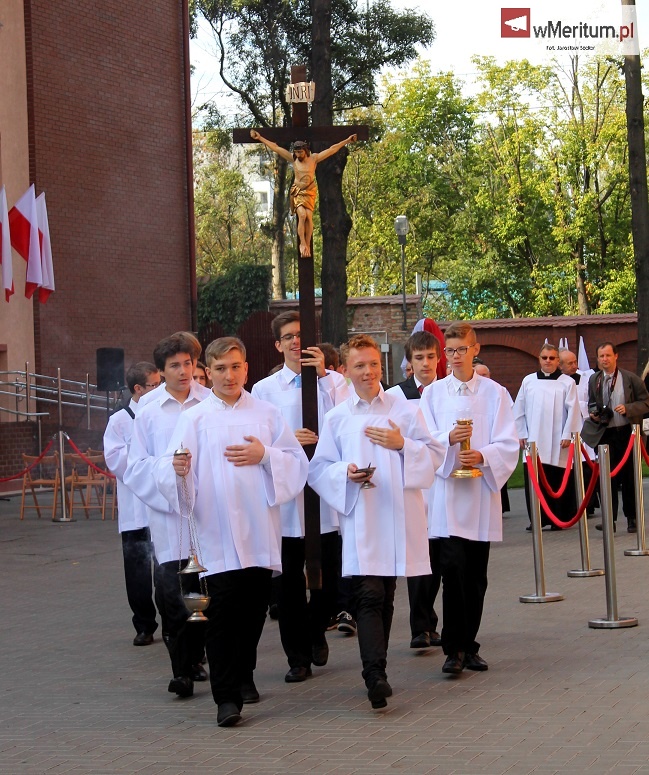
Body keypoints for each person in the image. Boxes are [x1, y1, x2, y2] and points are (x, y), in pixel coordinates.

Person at [155, 337, 308, 727]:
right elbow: (171, 465)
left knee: (253, 612)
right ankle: (226, 698)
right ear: (208, 371)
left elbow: (295, 462)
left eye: (236, 367)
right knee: (221, 615)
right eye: (220, 369)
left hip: (258, 529)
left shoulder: (267, 414)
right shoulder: (195, 418)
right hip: (216, 532)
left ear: (246, 369)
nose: (229, 375)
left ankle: (243, 674)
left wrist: (265, 455)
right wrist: (178, 469)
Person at [308, 334, 445, 709]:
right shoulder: (337, 417)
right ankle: (374, 675)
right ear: (346, 371)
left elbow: (433, 456)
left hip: (398, 513)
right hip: (363, 515)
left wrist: (403, 445)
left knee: (386, 594)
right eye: (359, 365)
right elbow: (319, 469)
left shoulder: (404, 408)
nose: (368, 371)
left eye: (372, 364)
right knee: (368, 593)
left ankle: (377, 668)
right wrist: (345, 473)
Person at [251, 312, 349, 682]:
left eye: (302, 335)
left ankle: (316, 628)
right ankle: (297, 657)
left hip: (324, 493)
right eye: (289, 336)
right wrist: (289, 439)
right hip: (287, 496)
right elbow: (259, 437)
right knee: (288, 581)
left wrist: (324, 377)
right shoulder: (265, 389)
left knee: (330, 577)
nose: (296, 342)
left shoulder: (335, 382)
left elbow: (347, 420)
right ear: (278, 344)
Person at [420, 322, 519, 675]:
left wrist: (482, 456)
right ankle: (454, 650)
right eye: (450, 351)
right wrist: (448, 440)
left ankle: (469, 644)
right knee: (452, 570)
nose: (456, 356)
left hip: (479, 497)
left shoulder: (495, 393)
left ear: (475, 350)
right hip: (448, 496)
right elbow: (424, 440)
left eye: (462, 349)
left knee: (476, 576)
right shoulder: (433, 394)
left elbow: (509, 442)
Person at [124, 332, 210, 699]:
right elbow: (135, 466)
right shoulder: (148, 412)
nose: (183, 371)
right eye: (175, 365)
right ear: (161, 370)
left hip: (207, 514)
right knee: (172, 597)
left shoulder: (209, 403)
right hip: (167, 516)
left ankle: (195, 656)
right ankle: (181, 671)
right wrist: (167, 470)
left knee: (201, 593)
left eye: (188, 363)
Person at [387, 330, 443, 650]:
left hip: (445, 482)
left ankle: (434, 623)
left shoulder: (447, 391)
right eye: (419, 358)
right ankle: (420, 626)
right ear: (409, 362)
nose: (425, 363)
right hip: (414, 484)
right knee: (420, 556)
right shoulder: (396, 396)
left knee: (442, 558)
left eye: (430, 357)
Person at [103, 362, 161, 646]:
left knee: (166, 571)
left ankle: (174, 621)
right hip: (135, 510)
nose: (160, 389)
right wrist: (144, 458)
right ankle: (144, 624)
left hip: (162, 507)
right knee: (137, 571)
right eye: (154, 385)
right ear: (138, 389)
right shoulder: (119, 420)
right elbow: (115, 460)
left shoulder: (162, 414)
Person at [249, 130, 357, 257]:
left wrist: (347, 141)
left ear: (306, 150)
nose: (298, 154)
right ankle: (302, 243)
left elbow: (332, 149)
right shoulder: (293, 159)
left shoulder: (314, 159)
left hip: (310, 191)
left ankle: (308, 244)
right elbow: (276, 148)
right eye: (296, 152)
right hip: (298, 191)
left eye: (300, 152)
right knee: (302, 214)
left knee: (309, 217)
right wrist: (260, 138)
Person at [581, 342, 649, 533]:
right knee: (606, 479)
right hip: (605, 433)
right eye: (601, 356)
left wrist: (628, 408)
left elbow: (645, 402)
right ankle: (609, 519)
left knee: (629, 477)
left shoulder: (630, 378)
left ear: (616, 356)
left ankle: (632, 518)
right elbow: (592, 403)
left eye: (608, 355)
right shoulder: (594, 379)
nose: (605, 359)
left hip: (626, 433)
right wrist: (594, 413)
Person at [514, 344, 582, 529]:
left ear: (558, 361)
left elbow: (573, 410)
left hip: (558, 440)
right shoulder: (528, 381)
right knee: (535, 480)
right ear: (539, 359)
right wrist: (521, 433)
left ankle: (558, 518)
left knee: (556, 478)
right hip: (533, 439)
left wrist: (568, 434)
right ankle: (537, 519)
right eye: (544, 357)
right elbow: (519, 409)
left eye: (552, 358)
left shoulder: (567, 382)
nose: (548, 361)